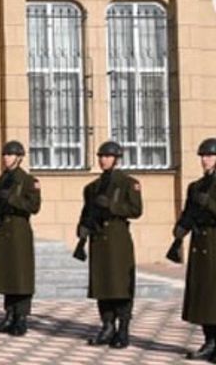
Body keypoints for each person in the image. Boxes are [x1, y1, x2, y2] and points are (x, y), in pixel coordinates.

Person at [80, 140, 142, 349]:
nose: (103, 160)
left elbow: (136, 210)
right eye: (101, 156)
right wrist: (82, 228)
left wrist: (113, 205)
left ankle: (123, 329)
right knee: (103, 285)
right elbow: (87, 212)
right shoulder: (92, 187)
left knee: (120, 285)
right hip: (98, 240)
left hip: (117, 239)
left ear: (116, 159)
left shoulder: (128, 183)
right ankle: (107, 326)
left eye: (107, 156)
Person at [0, 140, 42, 337]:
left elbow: (34, 206)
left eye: (10, 154)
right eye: (5, 154)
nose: (6, 158)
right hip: (1, 232)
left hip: (18, 232)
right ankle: (9, 315)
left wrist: (13, 199)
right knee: (7, 276)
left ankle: (21, 317)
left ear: (19, 157)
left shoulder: (29, 181)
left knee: (21, 276)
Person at [180, 138, 216, 361]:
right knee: (203, 296)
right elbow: (188, 213)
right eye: (203, 156)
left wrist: (210, 204)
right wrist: (180, 229)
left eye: (209, 156)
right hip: (200, 245)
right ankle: (210, 341)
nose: (205, 160)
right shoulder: (196, 186)